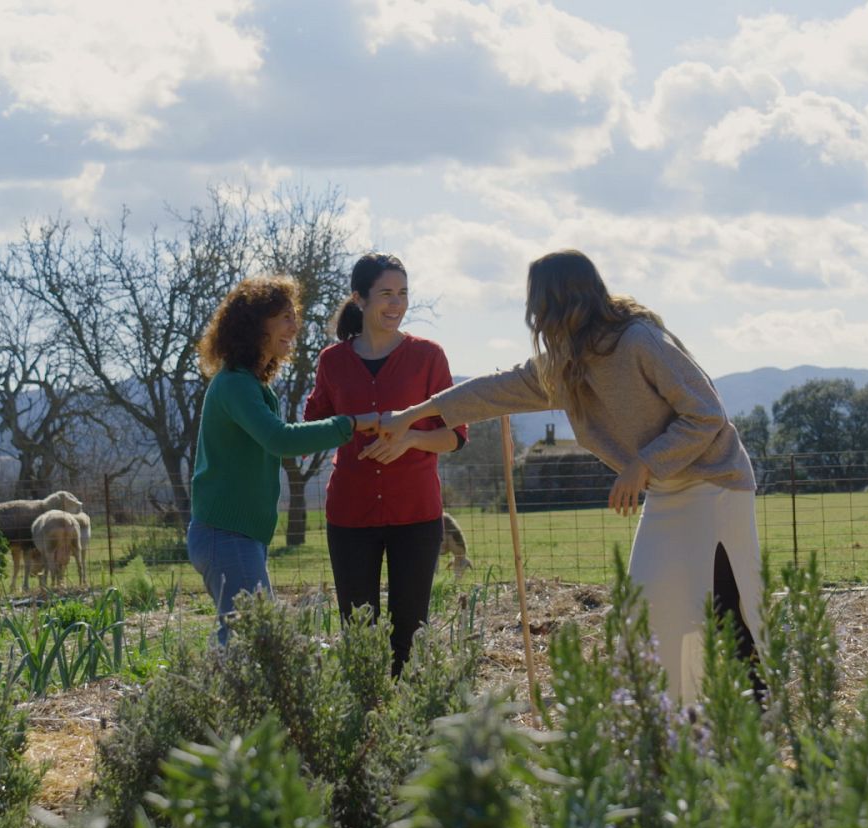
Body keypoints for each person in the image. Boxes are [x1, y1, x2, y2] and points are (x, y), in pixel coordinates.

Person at [371, 249, 761, 700]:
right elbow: (494, 391)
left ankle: (760, 709)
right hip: (666, 493)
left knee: (724, 603)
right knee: (647, 606)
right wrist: (413, 414)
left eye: (537, 302)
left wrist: (643, 464)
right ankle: (666, 716)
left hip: (715, 485)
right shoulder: (565, 366)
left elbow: (707, 414)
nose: (533, 314)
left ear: (561, 301)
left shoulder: (639, 342)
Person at [188, 276, 378, 645]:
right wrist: (349, 424)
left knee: (253, 640)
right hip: (226, 536)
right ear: (256, 325)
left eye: (295, 316)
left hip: (237, 537)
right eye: (284, 317)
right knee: (253, 642)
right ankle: (212, 701)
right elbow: (279, 438)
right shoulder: (235, 385)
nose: (295, 326)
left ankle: (217, 699)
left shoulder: (251, 384)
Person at [305, 253, 466, 675]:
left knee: (410, 633)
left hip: (416, 515)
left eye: (403, 294)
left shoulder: (429, 357)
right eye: (386, 294)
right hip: (350, 515)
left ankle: (409, 730)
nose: (396, 304)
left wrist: (411, 438)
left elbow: (454, 436)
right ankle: (364, 727)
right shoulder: (332, 362)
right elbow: (312, 428)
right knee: (359, 631)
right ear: (359, 299)